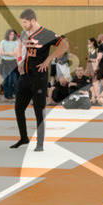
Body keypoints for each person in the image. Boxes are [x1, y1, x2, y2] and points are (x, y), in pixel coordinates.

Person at [13, 8, 68, 152]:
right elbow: (19, 46)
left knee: (39, 110)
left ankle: (40, 143)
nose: (23, 25)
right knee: (19, 108)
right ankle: (23, 137)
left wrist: (49, 58)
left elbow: (64, 45)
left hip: (39, 76)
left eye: (25, 22)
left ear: (32, 20)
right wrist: (19, 61)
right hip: (25, 76)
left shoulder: (46, 33)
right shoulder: (25, 33)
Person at [0, 29, 20, 100]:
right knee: (6, 79)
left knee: (14, 79)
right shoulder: (3, 42)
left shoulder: (15, 43)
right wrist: (9, 53)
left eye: (13, 34)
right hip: (5, 62)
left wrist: (6, 52)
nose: (12, 36)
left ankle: (16, 94)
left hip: (13, 62)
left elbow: (15, 53)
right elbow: (0, 52)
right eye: (10, 34)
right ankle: (7, 94)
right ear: (7, 34)